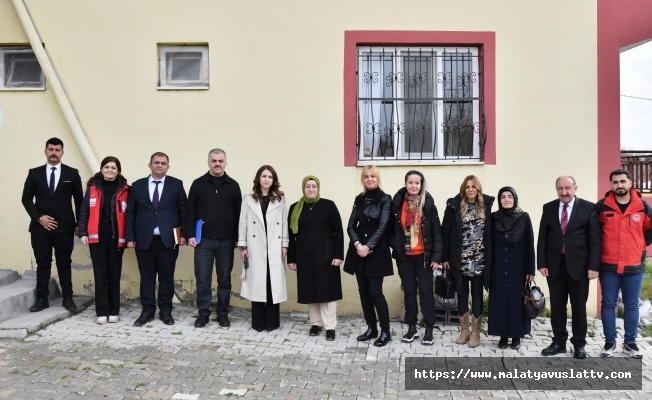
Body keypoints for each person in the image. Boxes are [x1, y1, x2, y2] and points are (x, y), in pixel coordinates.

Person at [537, 176, 601, 359]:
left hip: (580, 267)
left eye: (567, 188)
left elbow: (595, 241)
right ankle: (559, 342)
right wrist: (541, 263)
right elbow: (543, 237)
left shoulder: (589, 208)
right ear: (556, 189)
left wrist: (593, 266)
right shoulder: (548, 208)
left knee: (578, 307)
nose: (564, 192)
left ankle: (579, 344)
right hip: (555, 267)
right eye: (560, 188)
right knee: (557, 306)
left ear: (575, 188)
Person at [21, 137, 83, 313]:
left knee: (64, 262)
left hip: (64, 227)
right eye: (50, 149)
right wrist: (39, 217)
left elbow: (79, 200)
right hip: (40, 228)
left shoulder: (72, 173)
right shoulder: (34, 173)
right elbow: (26, 199)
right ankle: (42, 299)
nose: (54, 153)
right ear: (45, 151)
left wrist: (80, 224)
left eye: (57, 150)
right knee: (43, 263)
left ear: (62, 152)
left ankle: (68, 298)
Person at [126, 152, 187, 326]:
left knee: (167, 276)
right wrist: (130, 237)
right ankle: (147, 311)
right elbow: (131, 212)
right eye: (156, 163)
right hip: (144, 239)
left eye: (163, 163)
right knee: (147, 276)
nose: (160, 165)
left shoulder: (176, 185)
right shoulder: (137, 186)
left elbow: (184, 210)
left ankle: (166, 311)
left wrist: (183, 235)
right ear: (150, 165)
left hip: (168, 239)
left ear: (168, 166)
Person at [597, 169, 652, 359]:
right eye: (615, 182)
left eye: (622, 181)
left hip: (634, 265)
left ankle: (630, 343)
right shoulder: (602, 207)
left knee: (631, 305)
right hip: (608, 265)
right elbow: (595, 233)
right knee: (608, 304)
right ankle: (609, 342)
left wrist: (640, 246)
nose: (619, 185)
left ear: (629, 183)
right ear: (611, 184)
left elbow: (649, 229)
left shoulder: (643, 206)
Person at [186, 148, 242, 328]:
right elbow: (189, 212)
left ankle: (223, 314)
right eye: (214, 160)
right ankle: (203, 314)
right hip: (203, 241)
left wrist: (238, 239)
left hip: (226, 242)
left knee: (224, 279)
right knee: (203, 279)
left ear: (226, 163)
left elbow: (240, 214)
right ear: (208, 162)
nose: (217, 164)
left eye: (220, 161)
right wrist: (190, 235)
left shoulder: (233, 185)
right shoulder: (198, 184)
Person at [287, 176, 344, 341]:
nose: (311, 189)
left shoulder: (328, 205)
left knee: (327, 290)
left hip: (326, 255)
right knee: (309, 289)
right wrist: (291, 258)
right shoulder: (295, 208)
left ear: (318, 188)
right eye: (307, 186)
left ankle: (330, 326)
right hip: (304, 255)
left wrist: (338, 255)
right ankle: (316, 323)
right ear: (303, 188)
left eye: (314, 186)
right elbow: (290, 236)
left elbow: (338, 232)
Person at [391, 170, 443, 346]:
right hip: (405, 256)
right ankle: (411, 327)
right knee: (410, 292)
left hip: (424, 257)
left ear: (421, 185)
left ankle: (428, 328)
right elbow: (391, 228)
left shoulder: (428, 204)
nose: (414, 186)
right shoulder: (398, 203)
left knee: (426, 292)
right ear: (405, 183)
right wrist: (395, 246)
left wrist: (436, 256)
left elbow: (437, 231)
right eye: (410, 182)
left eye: (417, 183)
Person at [343, 166, 393, 347]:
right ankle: (371, 328)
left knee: (375, 293)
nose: (370, 179)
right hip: (358, 252)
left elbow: (384, 225)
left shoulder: (385, 199)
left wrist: (368, 246)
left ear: (377, 178)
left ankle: (385, 331)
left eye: (373, 176)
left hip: (376, 253)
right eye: (366, 176)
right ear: (363, 179)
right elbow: (350, 225)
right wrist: (357, 245)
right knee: (363, 292)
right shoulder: (360, 199)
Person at [442, 175, 494, 348]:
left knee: (477, 295)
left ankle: (476, 334)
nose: (470, 189)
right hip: (460, 260)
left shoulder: (486, 207)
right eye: (467, 186)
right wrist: (445, 258)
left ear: (478, 189)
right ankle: (464, 331)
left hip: (480, 260)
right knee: (462, 294)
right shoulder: (454, 207)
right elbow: (446, 233)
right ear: (463, 189)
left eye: (474, 187)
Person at [78, 157, 130, 324]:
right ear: (101, 169)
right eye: (107, 167)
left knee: (114, 275)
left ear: (118, 171)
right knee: (100, 275)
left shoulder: (125, 189)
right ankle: (102, 311)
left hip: (116, 240)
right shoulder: (93, 188)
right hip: (97, 239)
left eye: (113, 167)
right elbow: (84, 211)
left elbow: (129, 215)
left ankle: (114, 310)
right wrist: (83, 232)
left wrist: (129, 237)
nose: (110, 170)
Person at [238, 165, 289, 332]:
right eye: (264, 176)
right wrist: (243, 246)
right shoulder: (248, 199)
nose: (266, 179)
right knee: (258, 283)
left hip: (274, 246)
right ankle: (258, 322)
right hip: (255, 247)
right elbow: (243, 223)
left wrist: (284, 244)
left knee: (272, 282)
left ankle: (272, 322)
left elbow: (284, 224)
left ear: (273, 180)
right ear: (258, 179)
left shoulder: (280, 200)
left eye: (270, 177)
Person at [488, 187, 535, 350]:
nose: (506, 199)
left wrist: (530, 270)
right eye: (503, 197)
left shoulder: (524, 217)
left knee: (517, 302)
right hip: (498, 266)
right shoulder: (494, 218)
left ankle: (516, 336)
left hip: (518, 267)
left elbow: (530, 244)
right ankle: (502, 336)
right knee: (500, 301)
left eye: (510, 196)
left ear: (515, 198)